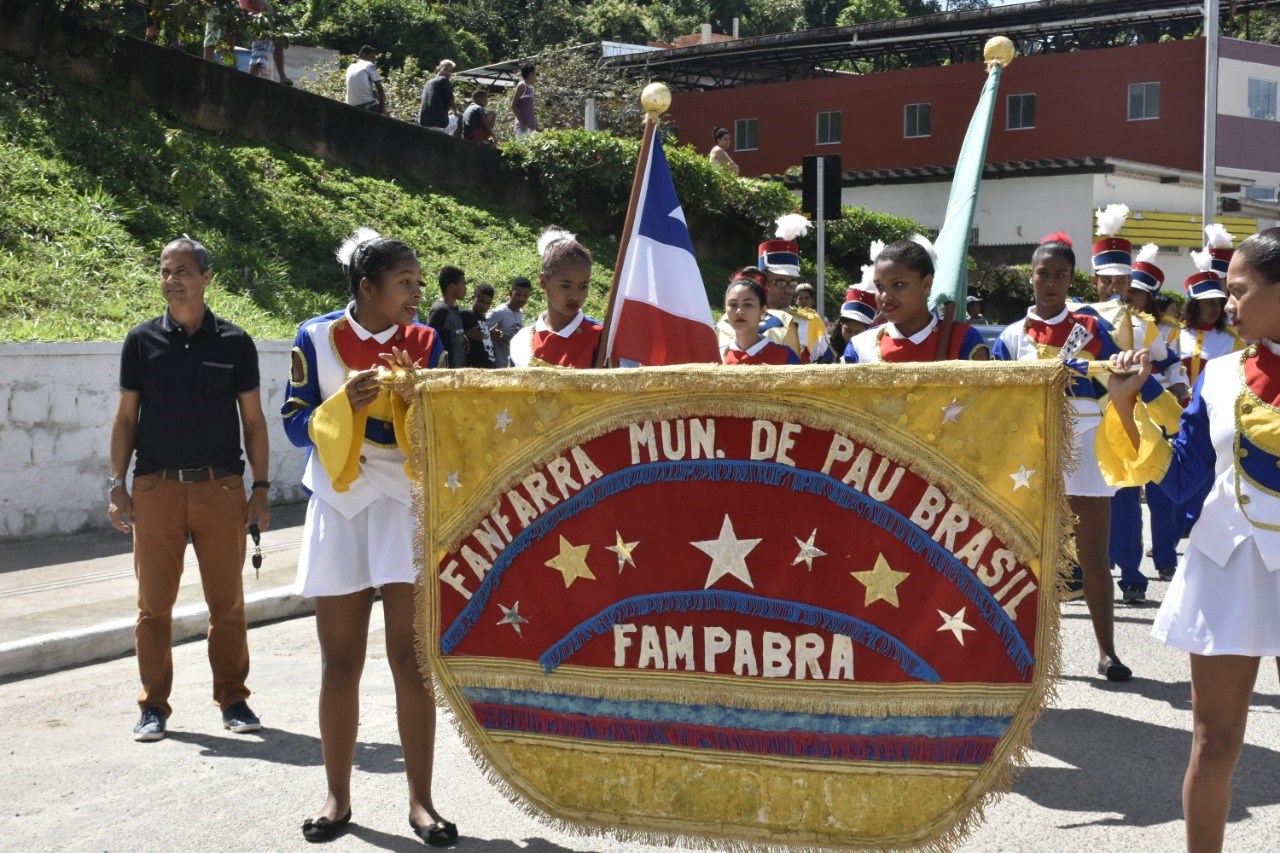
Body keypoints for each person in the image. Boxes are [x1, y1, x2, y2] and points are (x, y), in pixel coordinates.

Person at [1102, 228, 1280, 853]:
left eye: (1239, 291)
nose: (1227, 305)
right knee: (1215, 742)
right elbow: (1180, 484)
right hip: (1228, 567)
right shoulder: (1221, 374)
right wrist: (1127, 408)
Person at [282, 229, 456, 846]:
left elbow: (447, 426)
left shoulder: (428, 340)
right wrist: (342, 405)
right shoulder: (316, 336)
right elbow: (296, 425)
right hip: (339, 503)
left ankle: (422, 803)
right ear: (367, 288)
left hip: (403, 506)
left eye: (417, 282)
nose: (416, 293)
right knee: (339, 663)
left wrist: (422, 403)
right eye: (405, 283)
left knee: (411, 662)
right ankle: (336, 797)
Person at [991, 232, 1180, 682]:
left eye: (1060, 275)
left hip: (1087, 446)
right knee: (1028, 557)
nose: (1051, 282)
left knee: (1094, 555)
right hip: (1031, 453)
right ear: (1030, 277)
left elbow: (1129, 373)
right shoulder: (1012, 336)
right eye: (1043, 274)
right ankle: (1023, 653)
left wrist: (1169, 412)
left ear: (1072, 278)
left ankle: (1106, 651)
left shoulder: (1093, 328)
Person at [107, 236, 271, 742]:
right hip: (156, 490)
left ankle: (234, 701)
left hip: (220, 489)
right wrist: (118, 484)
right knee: (153, 607)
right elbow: (126, 417)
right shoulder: (141, 341)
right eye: (164, 270)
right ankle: (153, 706)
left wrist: (260, 487)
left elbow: (254, 420)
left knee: (228, 605)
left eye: (181, 270)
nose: (171, 279)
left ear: (205, 278)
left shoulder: (235, 343)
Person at [1076, 206, 1186, 606]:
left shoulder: (1144, 323)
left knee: (1127, 492)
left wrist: (1176, 387)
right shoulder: (1078, 318)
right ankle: (1081, 569)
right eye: (1109, 281)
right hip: (1086, 418)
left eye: (1123, 280)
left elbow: (1170, 362)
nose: (1116, 287)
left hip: (1129, 414)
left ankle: (1133, 575)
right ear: (1096, 282)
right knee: (1088, 495)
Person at [1124, 244, 1188, 585]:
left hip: (1155, 411)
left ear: (1150, 298)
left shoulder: (1159, 330)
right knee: (1124, 491)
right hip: (1119, 412)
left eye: (1138, 293)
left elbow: (1173, 363)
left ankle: (1165, 557)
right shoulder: (1104, 319)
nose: (1131, 296)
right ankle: (1124, 562)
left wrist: (1179, 389)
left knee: (1161, 489)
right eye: (1128, 290)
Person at [1176, 238, 1246, 539]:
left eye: (1219, 302)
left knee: (1209, 474)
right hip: (1175, 413)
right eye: (1209, 303)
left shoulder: (1233, 337)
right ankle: (1177, 530)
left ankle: (1200, 527)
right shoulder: (1174, 334)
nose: (1216, 308)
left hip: (1216, 414)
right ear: (1194, 304)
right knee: (1181, 470)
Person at [842, 237, 989, 363]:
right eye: (879, 286)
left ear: (926, 284)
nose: (885, 296)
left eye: (898, 284)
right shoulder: (860, 346)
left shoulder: (963, 340)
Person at [725, 214, 831, 363]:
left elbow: (826, 367)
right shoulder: (732, 320)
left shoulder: (810, 322)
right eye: (780, 282)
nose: (788, 289)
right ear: (763, 282)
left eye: (792, 283)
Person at [509, 227, 602, 367]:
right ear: (543, 281)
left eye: (583, 287)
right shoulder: (521, 340)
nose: (575, 296)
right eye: (566, 286)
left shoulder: (602, 338)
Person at [720, 270, 801, 365]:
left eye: (748, 305)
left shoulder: (784, 356)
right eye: (733, 305)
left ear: (763, 310)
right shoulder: (718, 357)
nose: (739, 311)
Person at [486, 276, 532, 368]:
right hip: (498, 366)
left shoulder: (520, 313)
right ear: (510, 293)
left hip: (514, 365)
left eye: (525, 296)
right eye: (518, 295)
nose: (521, 299)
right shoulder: (498, 313)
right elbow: (482, 334)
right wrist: (492, 335)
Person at [427, 266, 468, 368]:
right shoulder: (440, 310)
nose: (466, 288)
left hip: (459, 371)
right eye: (463, 284)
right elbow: (429, 340)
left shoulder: (454, 308)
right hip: (446, 374)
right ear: (452, 286)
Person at [460, 282, 498, 368]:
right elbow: (452, 337)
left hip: (488, 370)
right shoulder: (464, 315)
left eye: (488, 303)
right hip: (473, 371)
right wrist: (466, 334)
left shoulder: (483, 319)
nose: (484, 306)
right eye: (481, 301)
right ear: (473, 298)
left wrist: (489, 334)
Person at [419, 60, 458, 134]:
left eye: (450, 71)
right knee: (459, 118)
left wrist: (447, 112)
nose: (448, 73)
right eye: (446, 69)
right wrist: (455, 112)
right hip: (439, 124)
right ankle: (459, 144)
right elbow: (451, 101)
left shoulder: (428, 82)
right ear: (439, 69)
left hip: (423, 123)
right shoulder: (444, 80)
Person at [345, 46, 384, 113]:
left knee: (374, 92)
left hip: (350, 105)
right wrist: (383, 109)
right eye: (372, 57)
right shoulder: (369, 65)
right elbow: (380, 89)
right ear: (364, 55)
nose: (374, 60)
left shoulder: (350, 67)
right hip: (366, 105)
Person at [512, 64, 539, 141]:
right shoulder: (522, 85)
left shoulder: (530, 88)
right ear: (530, 74)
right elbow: (513, 106)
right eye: (535, 73)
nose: (536, 75)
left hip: (531, 126)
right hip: (522, 127)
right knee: (522, 151)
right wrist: (521, 123)